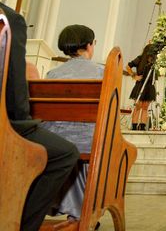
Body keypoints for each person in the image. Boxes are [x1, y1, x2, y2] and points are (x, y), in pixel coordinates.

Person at [0, 0, 79, 231]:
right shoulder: (9, 20)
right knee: (64, 153)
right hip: (6, 122)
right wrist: (21, 120)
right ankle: (21, 225)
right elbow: (13, 79)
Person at [40, 24, 103, 223]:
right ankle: (84, 211)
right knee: (87, 146)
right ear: (89, 45)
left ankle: (72, 208)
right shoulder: (102, 73)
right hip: (90, 140)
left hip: (56, 140)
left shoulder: (53, 74)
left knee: (66, 146)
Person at [126, 42, 161, 131]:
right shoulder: (140, 58)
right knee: (138, 107)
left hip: (150, 86)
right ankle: (134, 127)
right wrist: (134, 76)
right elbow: (128, 66)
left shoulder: (156, 61)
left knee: (145, 107)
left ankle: (142, 127)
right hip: (140, 84)